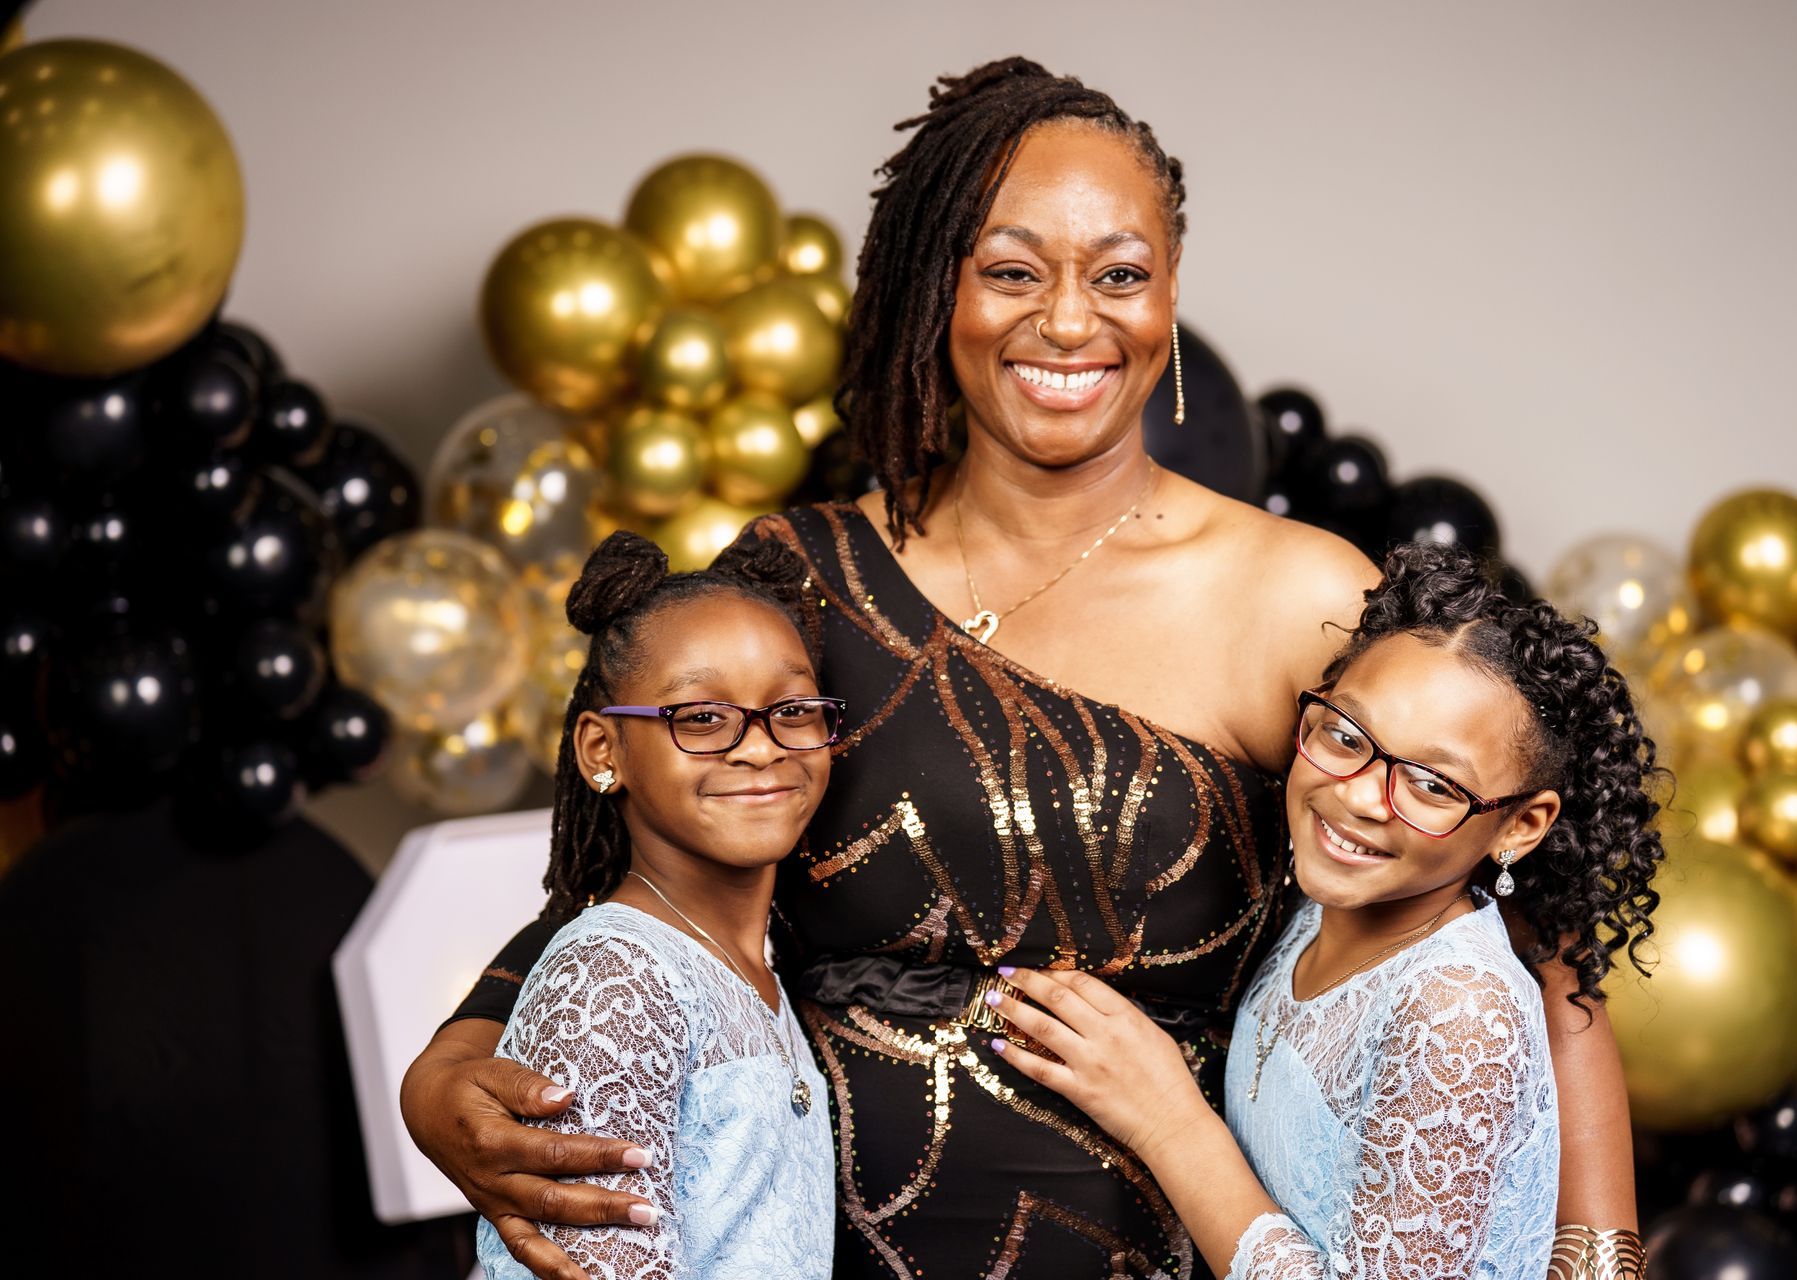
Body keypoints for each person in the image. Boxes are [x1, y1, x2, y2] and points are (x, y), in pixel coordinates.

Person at [400, 58, 1643, 1280]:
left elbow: (1534, 931)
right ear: (934, 289)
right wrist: (443, 1068)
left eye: (1120, 275)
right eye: (1010, 271)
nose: (1067, 320)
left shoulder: (1300, 597)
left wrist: (1603, 1264)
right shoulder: (803, 575)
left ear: (1170, 295)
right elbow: (637, 865)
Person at [987, 541, 1663, 1278]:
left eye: (1434, 784)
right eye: (1347, 736)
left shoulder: (1459, 1008)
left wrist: (1169, 1123)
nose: (1359, 797)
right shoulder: (1324, 906)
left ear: (1520, 826)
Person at [473, 531, 839, 1278]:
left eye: (793, 708)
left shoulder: (755, 968)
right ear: (604, 751)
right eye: (701, 718)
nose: (762, 747)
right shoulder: (613, 982)